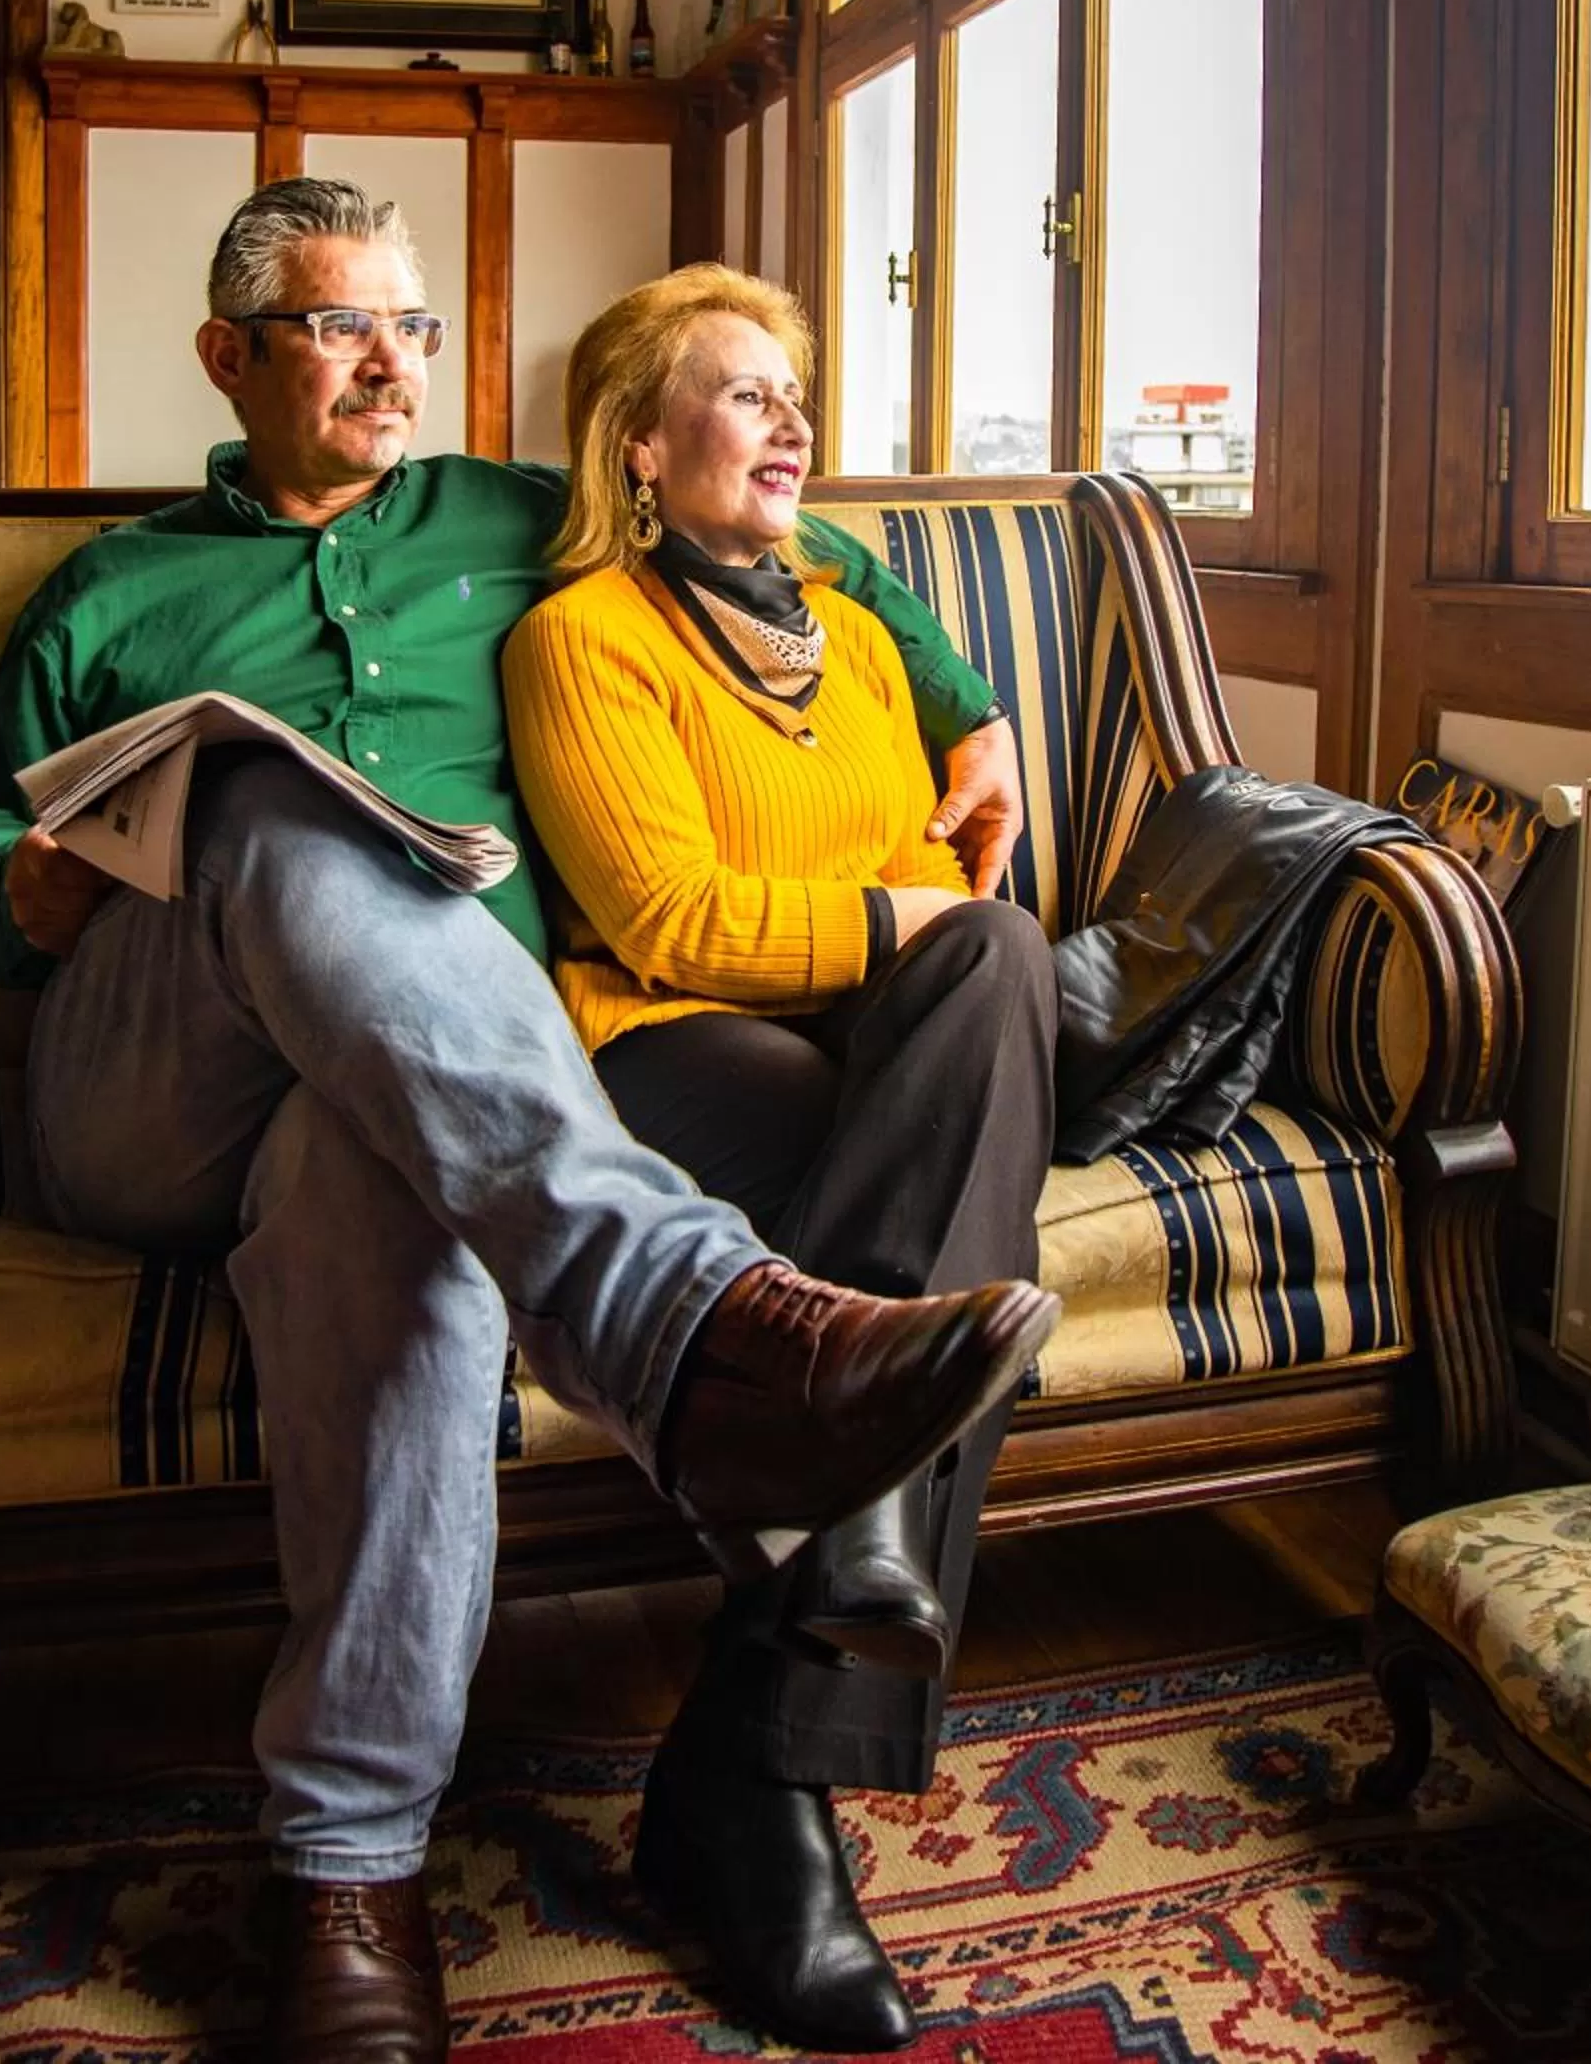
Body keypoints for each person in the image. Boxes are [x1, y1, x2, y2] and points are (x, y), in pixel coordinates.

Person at [0, 178, 1047, 2064]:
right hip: (154, 1083)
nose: (392, 365)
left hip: (425, 1100)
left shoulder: (514, 521)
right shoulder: (111, 591)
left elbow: (799, 533)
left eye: (413, 328)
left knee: (401, 1203)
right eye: (341, 326)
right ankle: (688, 1323)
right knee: (265, 791)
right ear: (228, 357)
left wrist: (965, 700)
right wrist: (26, 880)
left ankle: (348, 1874)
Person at [502, 266, 1060, 2053]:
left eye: (794, 392)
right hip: (669, 1048)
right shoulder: (582, 638)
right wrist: (899, 923)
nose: (794, 421)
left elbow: (940, 880)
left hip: (861, 1044)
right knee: (963, 1038)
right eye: (745, 391)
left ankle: (765, 1741)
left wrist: (918, 921)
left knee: (999, 958)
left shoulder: (863, 640)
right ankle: (827, 1614)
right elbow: (665, 916)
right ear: (639, 443)